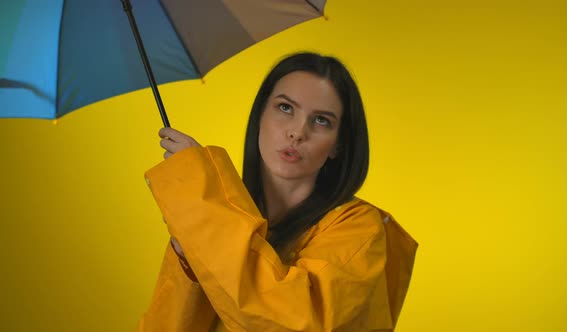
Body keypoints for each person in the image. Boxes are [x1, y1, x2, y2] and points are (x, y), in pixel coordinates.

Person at [137, 52, 417, 332]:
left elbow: (293, 322)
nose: (297, 132)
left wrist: (206, 203)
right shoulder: (220, 215)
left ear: (338, 145)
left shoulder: (359, 229)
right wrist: (190, 258)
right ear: (260, 116)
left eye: (321, 120)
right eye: (285, 108)